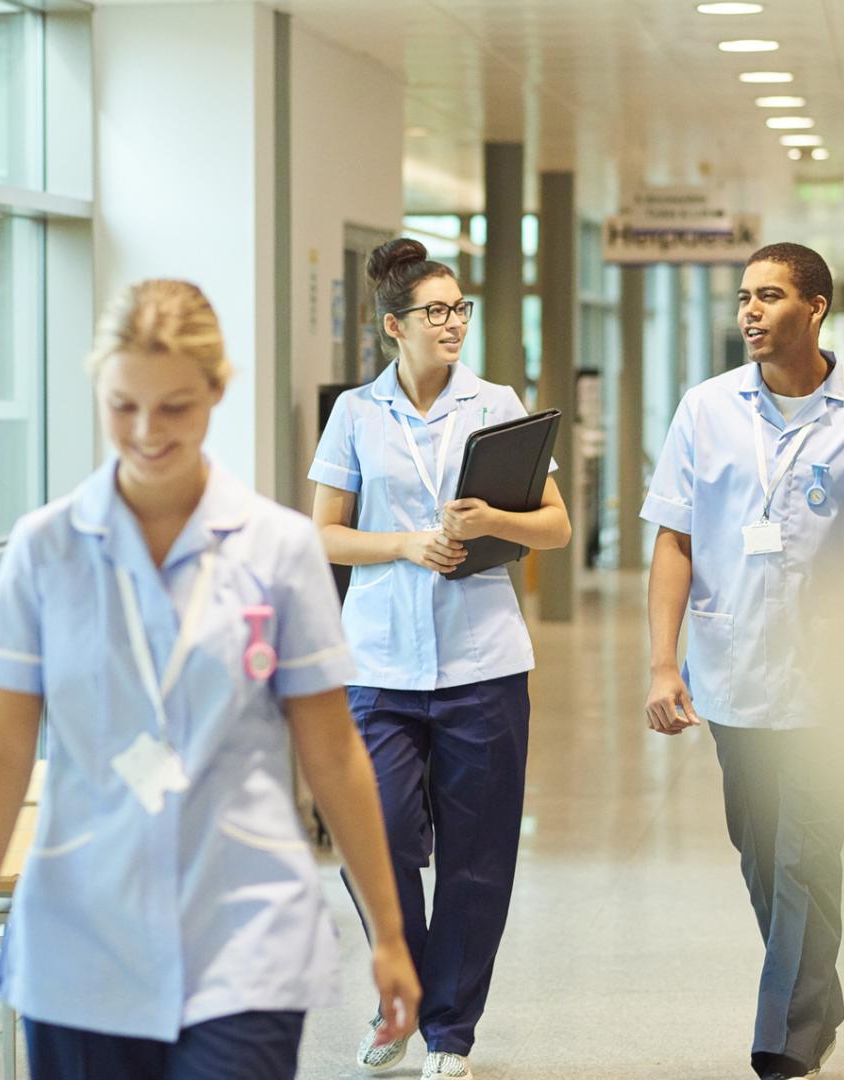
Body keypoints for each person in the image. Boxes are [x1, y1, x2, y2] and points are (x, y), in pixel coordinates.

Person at [0, 279, 420, 1080]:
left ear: (216, 393)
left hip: (244, 928)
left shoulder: (279, 547)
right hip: (81, 936)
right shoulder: (46, 548)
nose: (146, 432)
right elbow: (1, 754)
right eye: (122, 405)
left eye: (174, 409)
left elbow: (334, 755)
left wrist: (392, 935)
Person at [640, 243, 844, 1080]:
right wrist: (663, 665)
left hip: (837, 686)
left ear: (815, 308)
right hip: (733, 673)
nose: (749, 310)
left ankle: (786, 1042)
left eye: (768, 296)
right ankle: (821, 994)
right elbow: (674, 540)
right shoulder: (705, 410)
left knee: (805, 854)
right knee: (760, 848)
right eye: (744, 296)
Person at [308, 238, 572, 1080]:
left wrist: (490, 521)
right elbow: (323, 532)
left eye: (461, 309)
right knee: (372, 834)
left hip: (482, 662)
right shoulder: (356, 413)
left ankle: (449, 1033)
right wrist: (405, 545)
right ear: (396, 326)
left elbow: (556, 526)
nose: (453, 322)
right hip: (379, 665)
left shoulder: (497, 404)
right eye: (436, 311)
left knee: (477, 854)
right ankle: (404, 999)